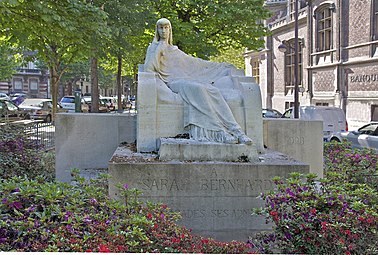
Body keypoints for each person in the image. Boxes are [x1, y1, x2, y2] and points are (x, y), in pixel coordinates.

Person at [144, 18, 252, 145]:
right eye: (160, 28)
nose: (163, 31)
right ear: (156, 30)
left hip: (186, 80)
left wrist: (221, 67)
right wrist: (159, 49)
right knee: (197, 88)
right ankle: (220, 132)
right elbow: (148, 69)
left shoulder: (175, 50)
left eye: (166, 27)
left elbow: (196, 63)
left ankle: (237, 131)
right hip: (173, 82)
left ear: (170, 30)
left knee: (212, 90)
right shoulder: (153, 48)